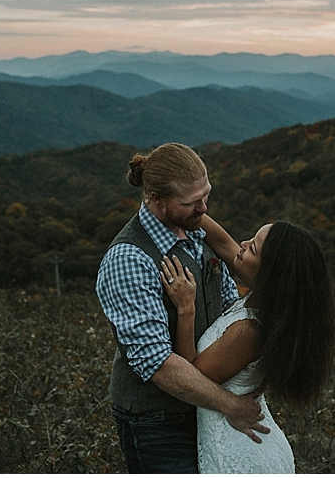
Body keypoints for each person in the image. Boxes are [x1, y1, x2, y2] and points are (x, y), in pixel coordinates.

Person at [95, 143, 268, 474]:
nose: (204, 208)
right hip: (158, 423)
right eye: (191, 202)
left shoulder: (196, 231)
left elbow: (227, 307)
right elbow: (158, 364)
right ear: (156, 199)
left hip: (204, 411)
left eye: (206, 195)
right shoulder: (129, 259)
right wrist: (231, 405)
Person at [159, 216, 335, 473]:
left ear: (270, 272)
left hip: (241, 454)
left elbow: (190, 374)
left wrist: (186, 308)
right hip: (252, 442)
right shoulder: (272, 300)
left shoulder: (249, 331)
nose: (242, 244)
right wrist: (186, 203)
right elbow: (222, 241)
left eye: (253, 247)